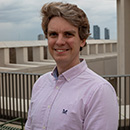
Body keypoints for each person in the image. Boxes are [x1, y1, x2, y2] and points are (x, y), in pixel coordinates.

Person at [25, 2, 118, 130]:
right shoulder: (40, 84)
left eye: (68, 34)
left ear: (83, 40)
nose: (59, 42)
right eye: (53, 34)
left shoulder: (99, 91)